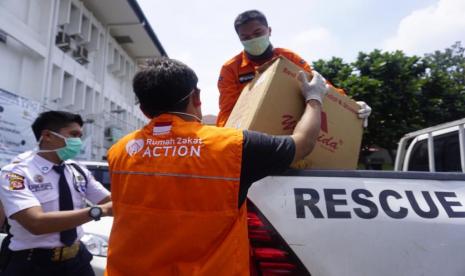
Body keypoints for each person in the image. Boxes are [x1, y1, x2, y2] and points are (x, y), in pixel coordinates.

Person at [105, 57, 328, 275]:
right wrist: (314, 98)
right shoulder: (235, 146)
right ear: (197, 96)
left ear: (144, 109)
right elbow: (303, 143)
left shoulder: (119, 150)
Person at [0, 111, 112, 276]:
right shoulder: (16, 173)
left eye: (80, 136)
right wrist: (99, 211)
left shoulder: (77, 170)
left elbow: (109, 200)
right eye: (73, 135)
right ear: (47, 135)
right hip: (33, 264)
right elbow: (36, 223)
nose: (78, 142)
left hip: (76, 260)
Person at [217, 9, 372, 127]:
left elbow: (319, 85)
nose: (253, 39)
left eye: (258, 33)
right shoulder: (231, 69)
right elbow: (227, 110)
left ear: (269, 31)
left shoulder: (288, 58)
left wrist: (352, 105)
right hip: (249, 131)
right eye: (245, 37)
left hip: (288, 125)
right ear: (239, 39)